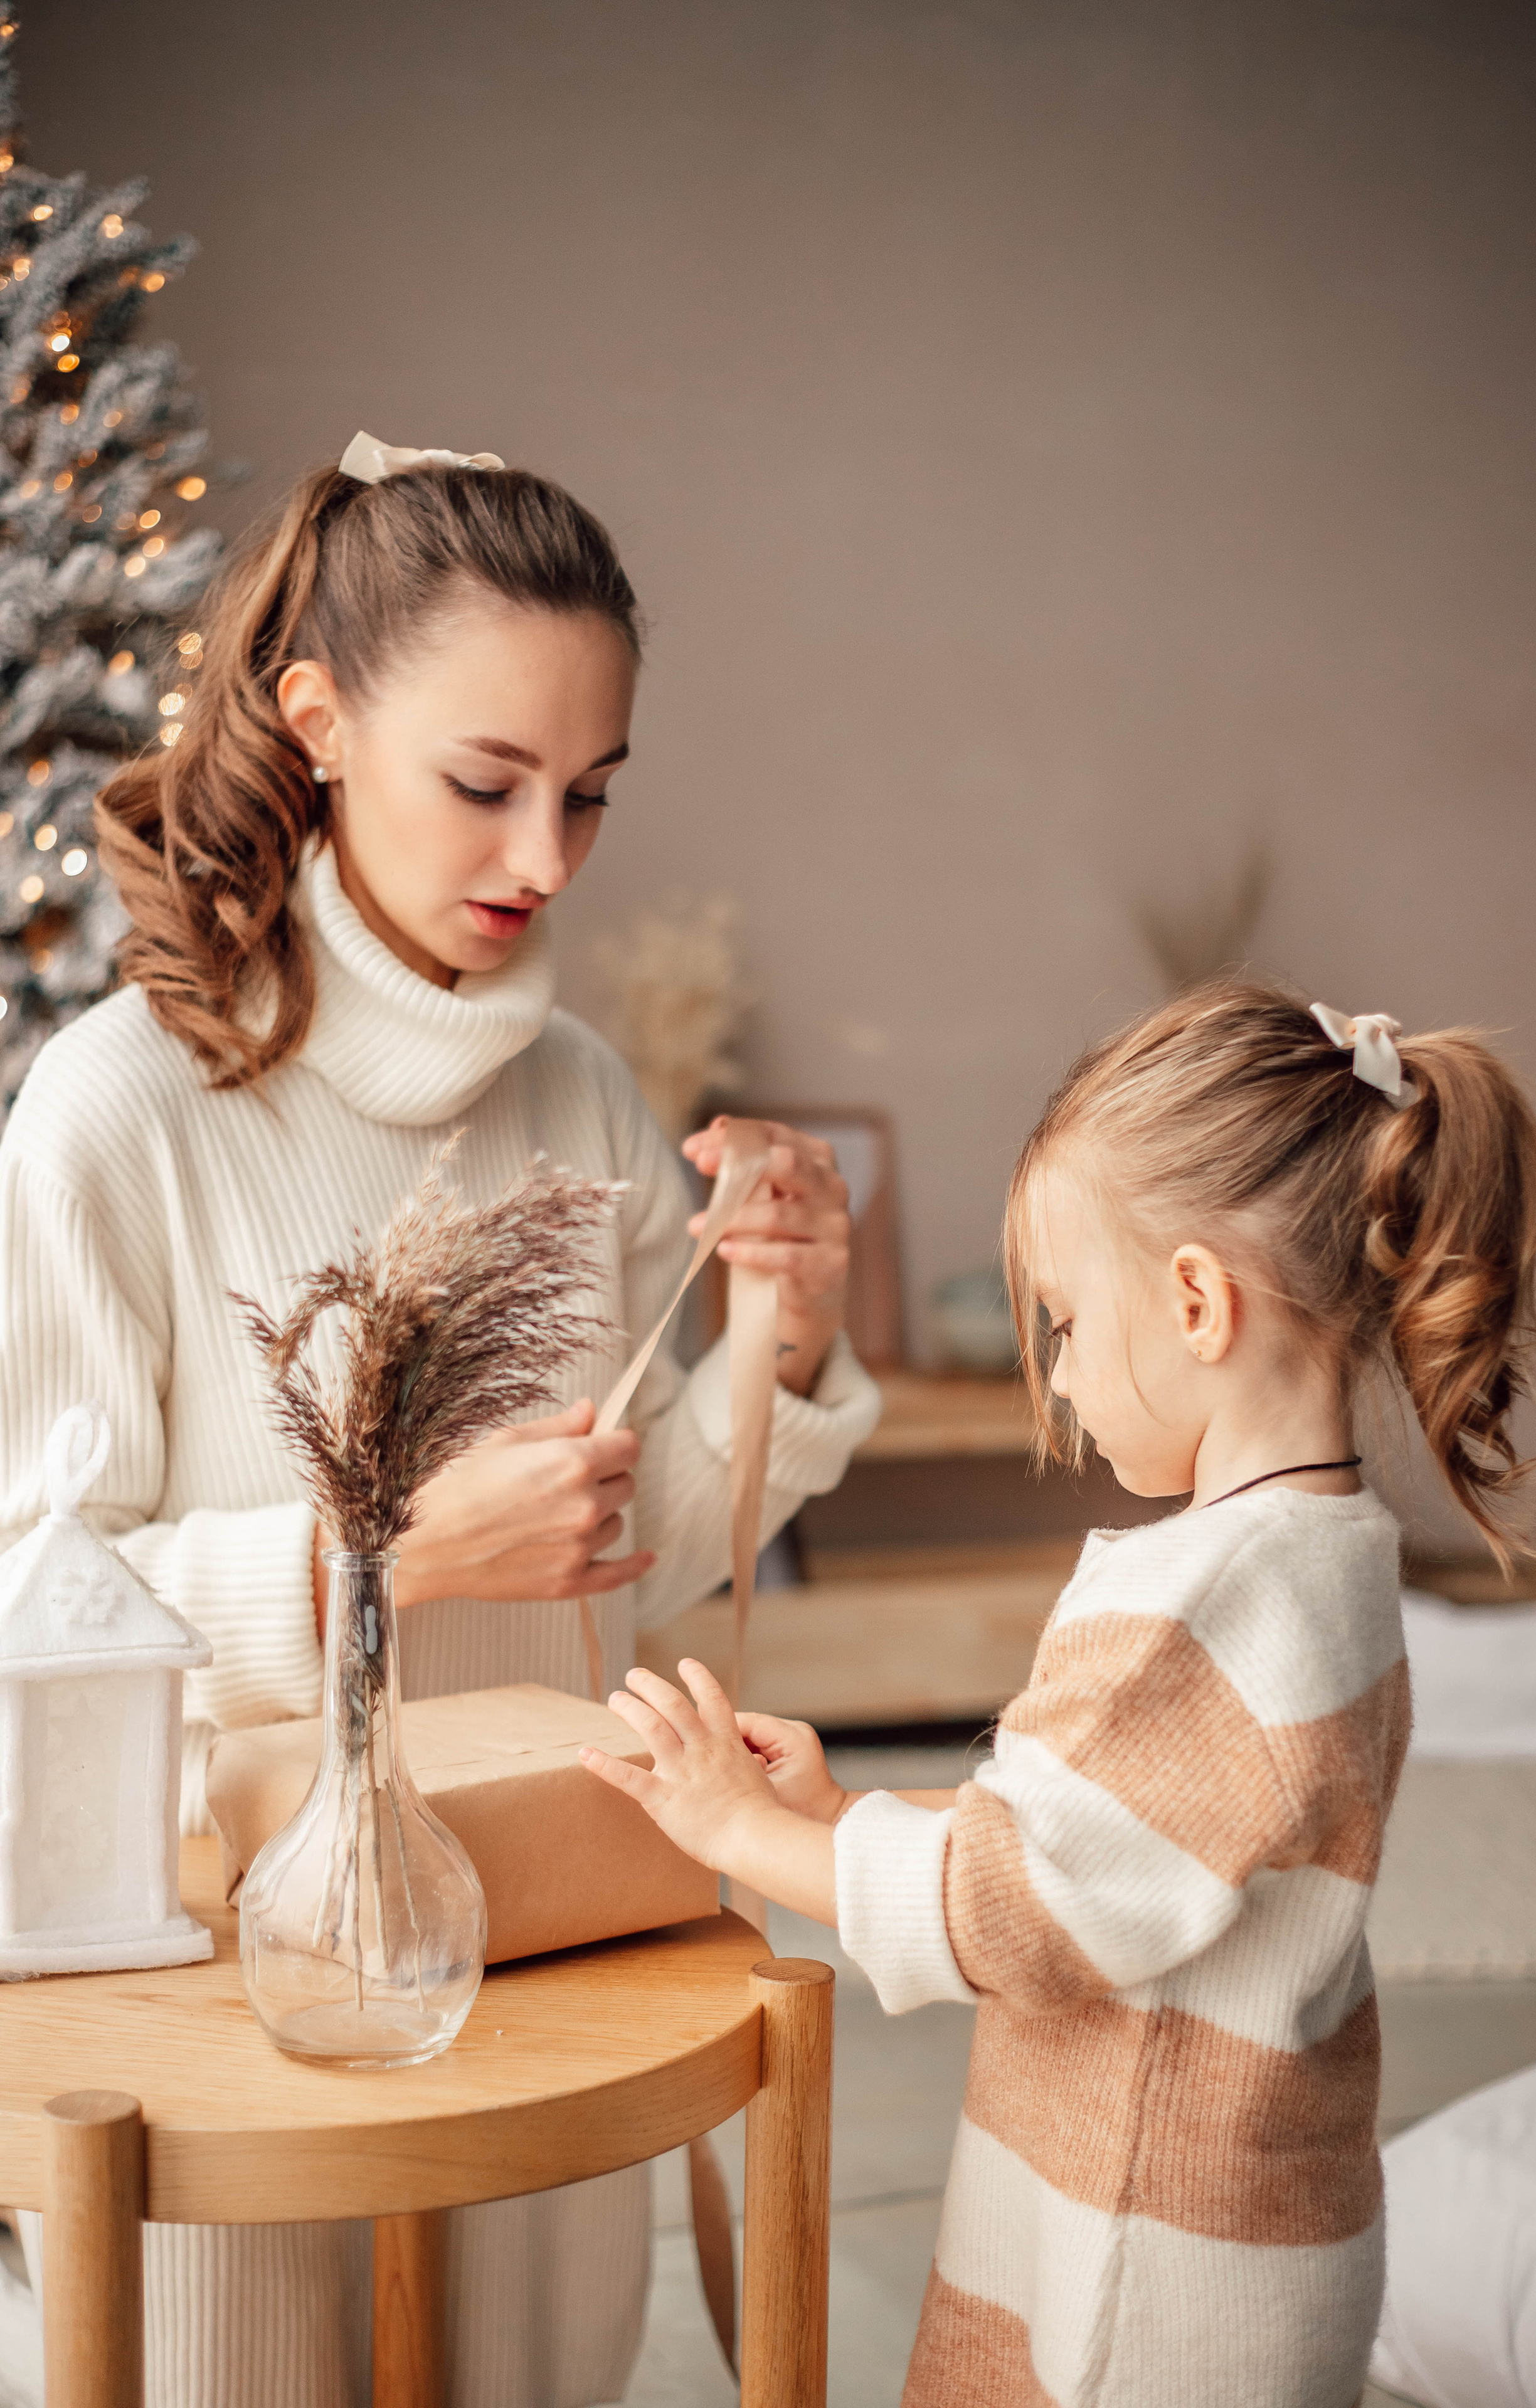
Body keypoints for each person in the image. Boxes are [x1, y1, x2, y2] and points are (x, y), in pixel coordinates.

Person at [0, 437, 881, 2407]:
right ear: (315, 720)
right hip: (233, 2009)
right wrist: (369, 1565)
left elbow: (649, 1548)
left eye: (589, 794)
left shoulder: (574, 1089)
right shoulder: (112, 1113)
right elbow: (19, 1613)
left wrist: (784, 1340)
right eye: (487, 785)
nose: (548, 860)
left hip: (547, 1947)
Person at [584, 976, 1536, 2408]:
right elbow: (1110, 1849)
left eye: (1061, 1319)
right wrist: (850, 1808)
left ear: (1191, 1302)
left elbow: (1009, 1910)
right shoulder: (1327, 1562)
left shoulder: (1201, 1607)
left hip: (1137, 2279)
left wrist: (741, 1832)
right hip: (1238, 2236)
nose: (1056, 1370)